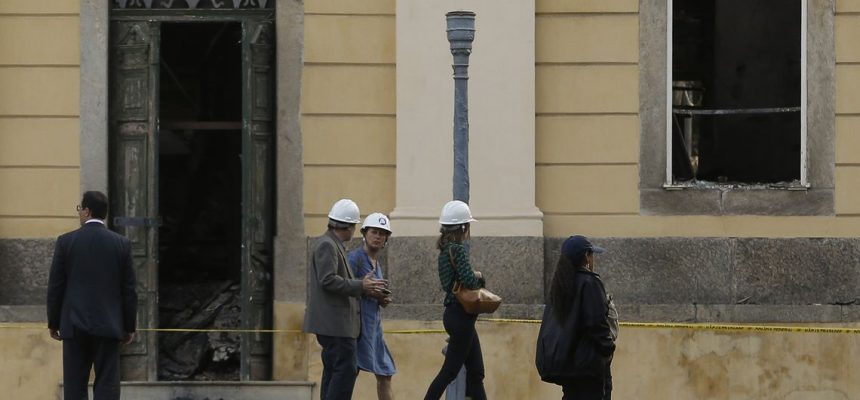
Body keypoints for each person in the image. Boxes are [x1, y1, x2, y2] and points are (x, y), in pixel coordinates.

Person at [47, 190, 138, 400]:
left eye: (80, 209)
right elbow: (129, 290)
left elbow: (56, 287)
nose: (79, 213)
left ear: (87, 211)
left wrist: (54, 322)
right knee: (107, 384)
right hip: (109, 325)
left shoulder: (66, 242)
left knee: (75, 385)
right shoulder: (121, 244)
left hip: (73, 325)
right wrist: (129, 326)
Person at [303, 199, 388, 400]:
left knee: (334, 372)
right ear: (349, 226)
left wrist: (365, 288)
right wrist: (361, 285)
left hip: (336, 325)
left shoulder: (333, 244)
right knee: (345, 371)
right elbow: (328, 280)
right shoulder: (327, 245)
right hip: (336, 325)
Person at [535, 235, 615, 400]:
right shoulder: (590, 282)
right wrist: (608, 347)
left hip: (568, 366)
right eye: (592, 255)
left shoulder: (560, 285)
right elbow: (596, 322)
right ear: (586, 257)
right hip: (589, 366)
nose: (593, 260)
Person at [424, 200, 487, 400]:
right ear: (463, 227)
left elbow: (447, 283)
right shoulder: (458, 250)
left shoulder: (444, 251)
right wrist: (479, 276)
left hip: (456, 315)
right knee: (449, 372)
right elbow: (469, 281)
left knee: (476, 372)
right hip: (461, 316)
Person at [348, 213, 396, 400]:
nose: (378, 236)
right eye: (374, 232)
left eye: (382, 234)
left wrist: (380, 298)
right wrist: (366, 289)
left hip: (373, 327)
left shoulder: (376, 263)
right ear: (365, 234)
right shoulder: (355, 259)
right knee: (349, 373)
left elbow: (372, 291)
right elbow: (344, 287)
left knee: (385, 372)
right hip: (357, 328)